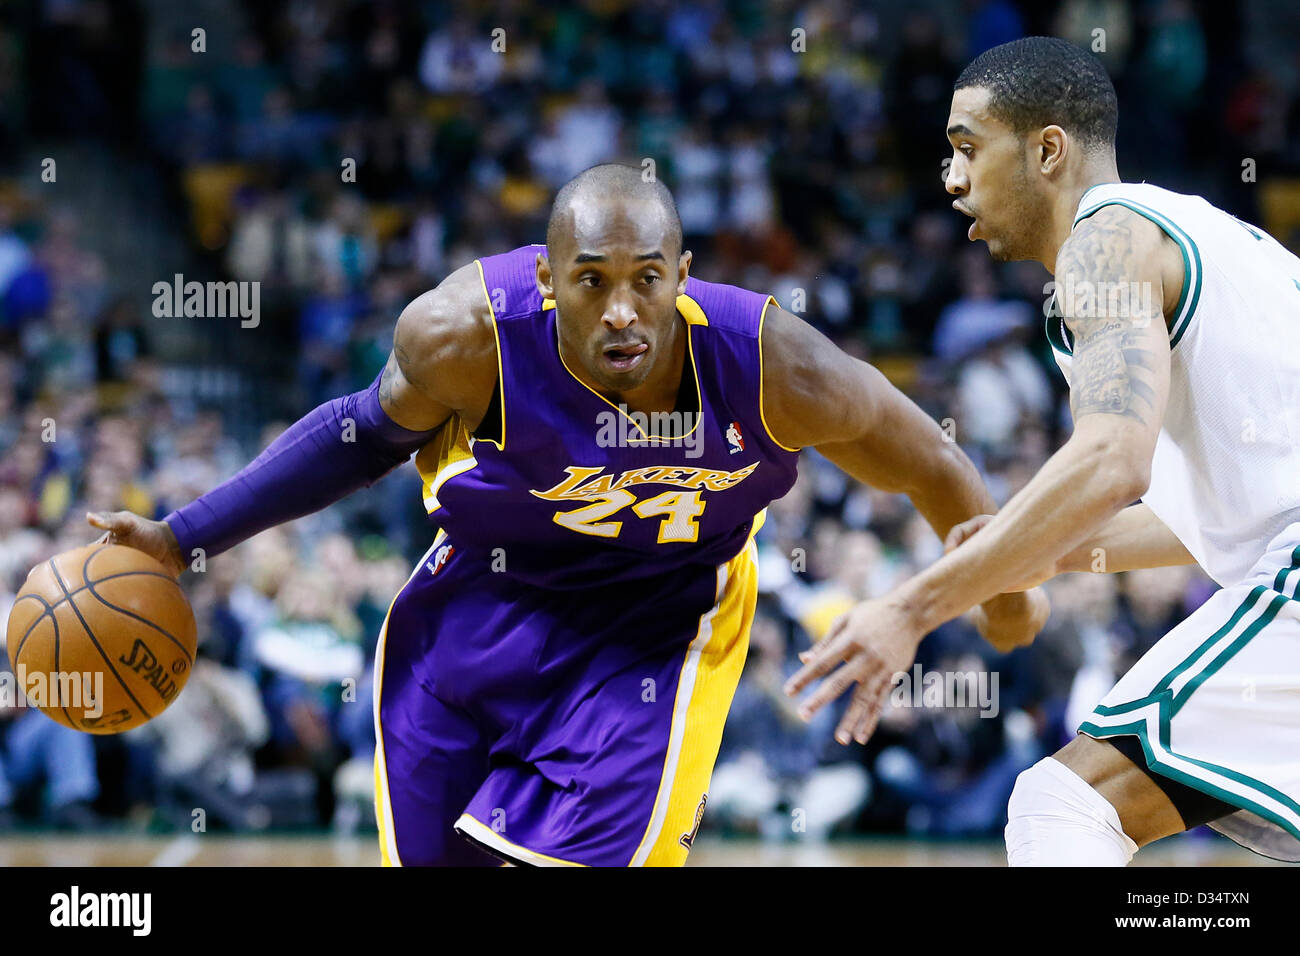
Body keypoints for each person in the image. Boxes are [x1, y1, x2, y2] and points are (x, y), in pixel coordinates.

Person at [87, 163, 1045, 867]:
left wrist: (1000, 595)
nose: (623, 310)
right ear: (547, 281)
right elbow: (354, 437)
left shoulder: (777, 369)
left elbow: (931, 460)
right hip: (473, 618)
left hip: (652, 640)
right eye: (592, 280)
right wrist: (182, 538)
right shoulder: (464, 337)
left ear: (683, 274)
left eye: (646, 280)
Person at [788, 37, 1300, 866]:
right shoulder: (1207, 237)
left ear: (1047, 149)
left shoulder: (1105, 241)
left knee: (1064, 803)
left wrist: (911, 609)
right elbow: (1213, 517)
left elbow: (1111, 461)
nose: (950, 179)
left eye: (966, 149)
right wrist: (1036, 554)